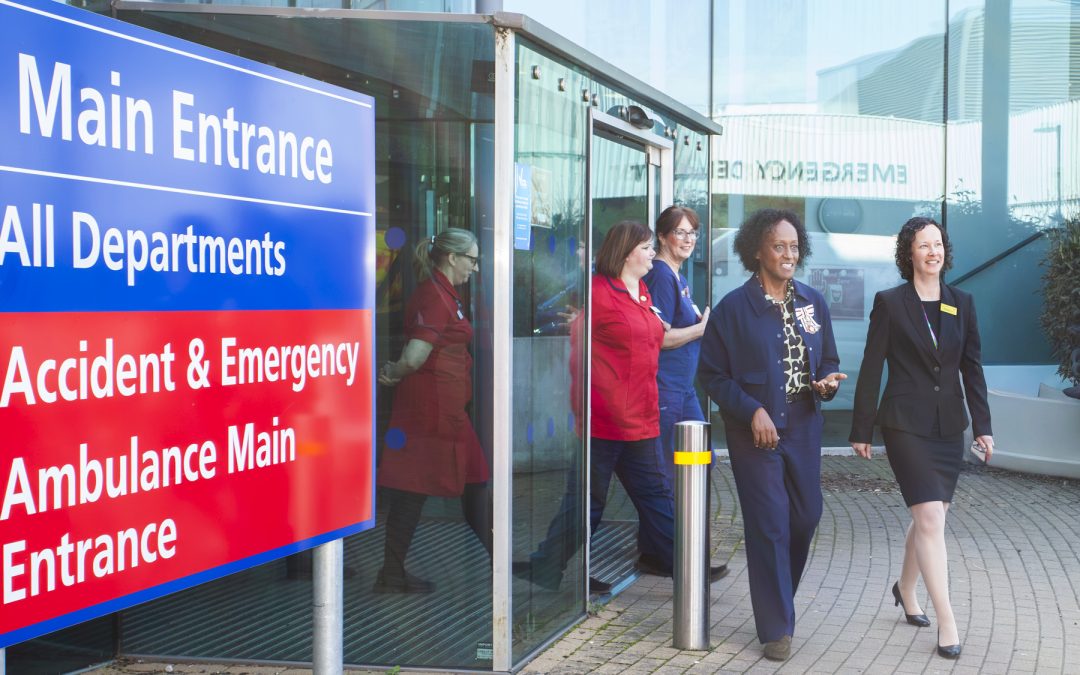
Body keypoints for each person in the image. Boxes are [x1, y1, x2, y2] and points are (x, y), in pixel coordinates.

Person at [517, 221, 725, 594]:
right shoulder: (600, 295)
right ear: (627, 252)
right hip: (607, 421)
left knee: (654, 496)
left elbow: (657, 336)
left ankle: (684, 564)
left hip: (639, 418)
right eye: (646, 248)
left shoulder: (641, 291)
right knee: (589, 501)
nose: (651, 254)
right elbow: (579, 355)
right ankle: (548, 566)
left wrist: (693, 329)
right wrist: (595, 401)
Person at [697, 209, 845, 661]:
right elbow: (712, 376)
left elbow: (829, 360)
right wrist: (752, 409)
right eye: (779, 246)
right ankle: (777, 627)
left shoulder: (811, 302)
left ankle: (778, 598)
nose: (788, 254)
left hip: (803, 426)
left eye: (794, 246)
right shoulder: (733, 309)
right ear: (756, 251)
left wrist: (827, 382)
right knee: (769, 525)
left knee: (805, 518)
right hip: (754, 434)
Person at [849, 216, 993, 660]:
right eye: (923, 245)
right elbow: (872, 365)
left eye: (938, 244)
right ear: (908, 254)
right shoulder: (891, 303)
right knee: (931, 519)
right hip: (905, 424)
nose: (933, 252)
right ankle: (947, 621)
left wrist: (983, 426)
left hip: (949, 426)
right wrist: (861, 428)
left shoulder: (961, 303)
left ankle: (905, 588)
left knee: (929, 517)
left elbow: (972, 368)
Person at [375, 228, 491, 593]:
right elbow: (414, 356)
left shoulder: (445, 293)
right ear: (453, 257)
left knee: (467, 480)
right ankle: (503, 562)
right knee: (419, 489)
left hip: (445, 408)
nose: (475, 267)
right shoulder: (434, 297)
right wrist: (391, 373)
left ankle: (393, 572)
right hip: (432, 411)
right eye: (472, 259)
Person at [643, 205, 710, 492]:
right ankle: (670, 535)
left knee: (700, 459)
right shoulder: (660, 274)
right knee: (669, 472)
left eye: (692, 232)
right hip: (665, 388)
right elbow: (658, 337)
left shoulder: (678, 277)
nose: (688, 239)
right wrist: (701, 329)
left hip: (683, 388)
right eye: (679, 232)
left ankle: (689, 534)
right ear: (662, 236)